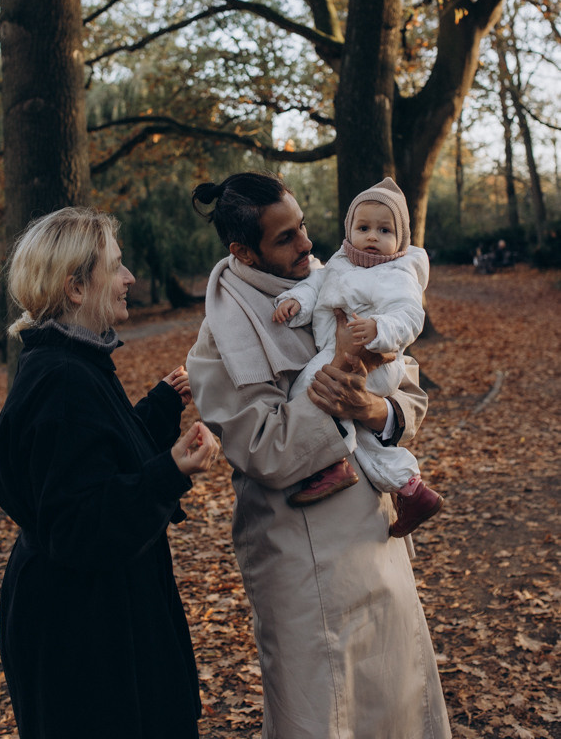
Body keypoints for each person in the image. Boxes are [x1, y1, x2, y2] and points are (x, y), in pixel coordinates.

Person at [186, 172, 451, 739]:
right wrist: (331, 393)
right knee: (320, 716)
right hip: (299, 558)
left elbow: (408, 391)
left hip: (374, 538)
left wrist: (374, 411)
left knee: (395, 699)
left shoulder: (339, 278)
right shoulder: (218, 341)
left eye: (302, 226)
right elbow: (261, 449)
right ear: (243, 250)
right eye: (285, 238)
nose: (307, 244)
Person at [0, 207, 219, 739]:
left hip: (94, 615)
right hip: (86, 634)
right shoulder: (63, 379)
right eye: (116, 267)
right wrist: (169, 473)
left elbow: (92, 456)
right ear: (76, 287)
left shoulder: (70, 361)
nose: (130, 279)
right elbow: (78, 525)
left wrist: (160, 408)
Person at [271, 177, 443, 535]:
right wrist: (296, 303)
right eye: (363, 227)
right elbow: (314, 285)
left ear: (401, 239)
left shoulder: (398, 273)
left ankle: (332, 460)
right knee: (363, 434)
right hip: (340, 351)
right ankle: (411, 488)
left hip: (373, 360)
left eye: (384, 230)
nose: (372, 237)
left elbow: (410, 315)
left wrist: (379, 329)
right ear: (349, 230)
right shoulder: (339, 262)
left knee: (310, 387)